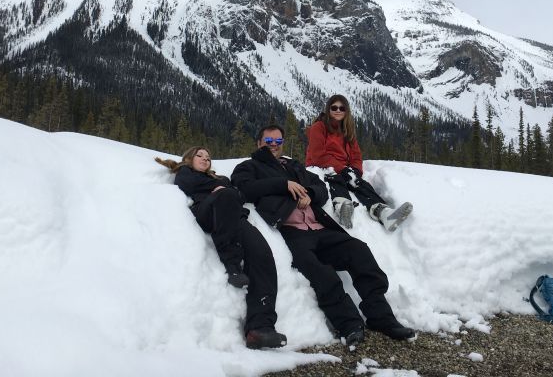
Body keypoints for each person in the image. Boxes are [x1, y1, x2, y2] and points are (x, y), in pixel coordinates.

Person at [231, 126, 415, 347]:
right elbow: (244, 187)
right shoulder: (249, 167)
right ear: (259, 142)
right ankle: (349, 324)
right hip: (293, 232)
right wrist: (283, 185)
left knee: (359, 251)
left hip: (320, 227)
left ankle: (382, 317)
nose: (273, 144)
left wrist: (309, 194)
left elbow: (321, 188)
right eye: (268, 140)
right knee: (321, 273)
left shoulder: (293, 165)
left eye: (278, 141)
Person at [156, 146, 287, 350]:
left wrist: (223, 185)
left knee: (262, 253)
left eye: (208, 157)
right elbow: (188, 184)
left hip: (236, 217)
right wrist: (220, 187)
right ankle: (232, 264)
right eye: (200, 155)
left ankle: (261, 328)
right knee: (225, 196)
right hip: (208, 210)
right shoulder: (185, 173)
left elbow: (239, 194)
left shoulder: (219, 179)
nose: (205, 159)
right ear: (189, 158)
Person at [306, 94, 413, 232]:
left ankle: (384, 213)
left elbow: (356, 155)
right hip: (321, 166)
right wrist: (342, 169)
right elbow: (317, 155)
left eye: (342, 108)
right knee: (335, 179)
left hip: (343, 167)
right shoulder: (319, 127)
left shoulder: (347, 131)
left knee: (359, 182)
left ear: (346, 111)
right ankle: (342, 208)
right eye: (334, 107)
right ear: (328, 110)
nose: (338, 110)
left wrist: (355, 170)